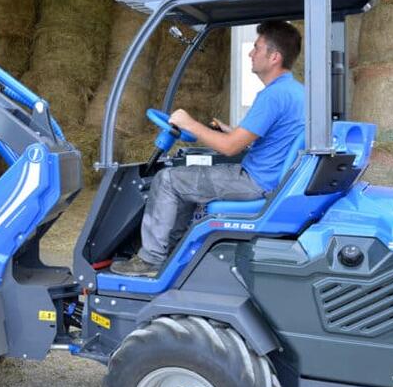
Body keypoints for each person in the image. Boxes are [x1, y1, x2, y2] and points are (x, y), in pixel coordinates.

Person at [111, 20, 305, 277]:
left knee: (168, 179)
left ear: (274, 57)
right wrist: (231, 131)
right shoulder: (295, 91)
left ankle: (150, 260)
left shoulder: (273, 96)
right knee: (186, 180)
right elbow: (272, 138)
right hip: (271, 177)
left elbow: (230, 148)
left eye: (257, 48)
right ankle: (175, 250)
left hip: (256, 181)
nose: (251, 53)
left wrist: (188, 123)